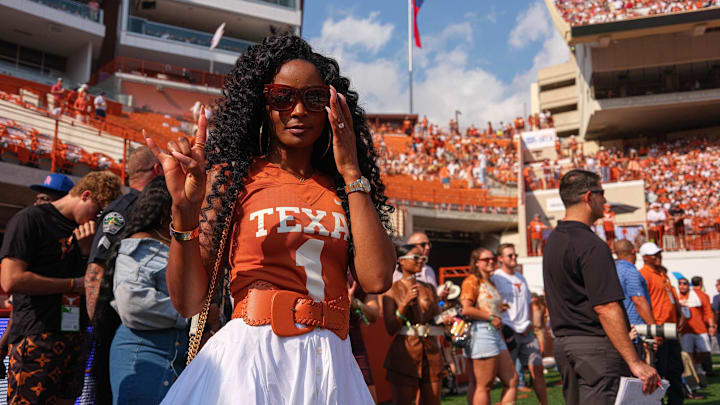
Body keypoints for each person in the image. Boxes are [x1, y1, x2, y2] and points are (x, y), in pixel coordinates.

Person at [153, 34, 396, 404]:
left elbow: (377, 278)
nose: (298, 111)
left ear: (332, 106)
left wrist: (351, 171)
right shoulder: (233, 179)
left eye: (314, 98)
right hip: (253, 360)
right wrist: (184, 217)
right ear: (261, 106)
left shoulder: (346, 187)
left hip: (331, 362)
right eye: (281, 97)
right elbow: (188, 303)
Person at [0, 171, 122, 405]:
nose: (95, 220)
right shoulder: (31, 219)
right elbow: (11, 280)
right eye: (96, 212)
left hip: (74, 338)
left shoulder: (89, 234)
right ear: (85, 195)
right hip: (37, 339)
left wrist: (88, 252)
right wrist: (73, 285)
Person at [543, 170, 659, 405]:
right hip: (594, 348)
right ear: (589, 196)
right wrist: (635, 362)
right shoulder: (591, 245)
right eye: (602, 193)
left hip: (566, 345)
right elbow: (606, 307)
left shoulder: (553, 240)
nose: (605, 200)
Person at [92, 177, 188, 405]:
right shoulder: (140, 246)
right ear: (167, 210)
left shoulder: (175, 246)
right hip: (143, 356)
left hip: (175, 358)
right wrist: (191, 316)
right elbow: (133, 304)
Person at [0, 173, 75, 379]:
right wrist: (2, 348)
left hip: (66, 339)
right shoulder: (30, 230)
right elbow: (18, 305)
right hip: (33, 339)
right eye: (38, 198)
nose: (38, 203)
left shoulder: (77, 237)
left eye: (45, 199)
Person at [85, 146, 162, 320]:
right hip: (119, 320)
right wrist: (98, 325)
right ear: (157, 169)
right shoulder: (123, 210)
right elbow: (96, 269)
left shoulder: (155, 206)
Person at [382, 244, 444, 405]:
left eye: (423, 258)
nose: (421, 261)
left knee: (434, 401)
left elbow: (437, 317)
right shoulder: (392, 290)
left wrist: (447, 318)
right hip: (405, 353)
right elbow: (390, 328)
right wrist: (404, 304)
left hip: (431, 351)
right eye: (416, 257)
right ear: (401, 261)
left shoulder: (429, 288)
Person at [492, 243, 548, 405]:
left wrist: (529, 322)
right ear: (501, 259)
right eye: (510, 255)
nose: (514, 257)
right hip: (508, 332)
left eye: (514, 254)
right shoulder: (496, 277)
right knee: (511, 377)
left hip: (527, 332)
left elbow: (528, 302)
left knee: (537, 370)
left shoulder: (520, 277)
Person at [461, 247, 518, 405]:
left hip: (494, 332)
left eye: (492, 258)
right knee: (484, 385)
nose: (491, 262)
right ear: (476, 263)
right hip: (481, 332)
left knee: (512, 379)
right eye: (486, 259)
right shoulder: (472, 280)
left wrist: (498, 309)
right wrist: (491, 316)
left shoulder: (490, 282)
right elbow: (466, 308)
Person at [639, 242, 686, 405]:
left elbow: (671, 297)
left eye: (659, 253)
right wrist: (654, 330)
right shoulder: (644, 275)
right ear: (645, 257)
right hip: (659, 329)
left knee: (675, 368)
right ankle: (656, 402)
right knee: (659, 370)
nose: (658, 256)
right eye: (654, 254)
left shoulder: (662, 274)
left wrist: (680, 314)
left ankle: (675, 401)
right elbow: (641, 303)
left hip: (671, 328)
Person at [348, 272, 380, 403]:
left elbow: (374, 314)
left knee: (368, 395)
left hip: (355, 340)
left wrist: (356, 303)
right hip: (327, 335)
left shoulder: (364, 275)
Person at [677, 276, 715, 379]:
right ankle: (693, 373)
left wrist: (711, 325)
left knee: (705, 350)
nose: (682, 286)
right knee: (687, 353)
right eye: (680, 283)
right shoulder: (676, 297)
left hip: (700, 329)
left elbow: (708, 311)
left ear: (688, 285)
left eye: (685, 283)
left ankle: (697, 365)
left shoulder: (700, 296)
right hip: (685, 331)